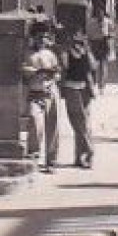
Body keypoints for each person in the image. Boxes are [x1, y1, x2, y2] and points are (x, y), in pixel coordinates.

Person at [22, 30, 62, 171]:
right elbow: (23, 72)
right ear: (33, 38)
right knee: (35, 123)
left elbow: (58, 72)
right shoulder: (27, 54)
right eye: (39, 37)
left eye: (44, 38)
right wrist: (36, 73)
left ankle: (52, 160)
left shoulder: (50, 54)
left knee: (53, 125)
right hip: (35, 92)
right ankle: (33, 156)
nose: (42, 40)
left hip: (50, 91)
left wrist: (53, 74)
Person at [60, 34, 97, 168]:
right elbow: (64, 69)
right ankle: (81, 155)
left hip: (84, 90)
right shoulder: (66, 54)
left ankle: (88, 151)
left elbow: (93, 68)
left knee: (83, 123)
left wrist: (87, 52)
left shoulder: (86, 54)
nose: (79, 44)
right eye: (77, 41)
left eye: (82, 42)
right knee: (79, 123)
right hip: (72, 88)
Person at [89, 7, 114, 93]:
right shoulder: (91, 23)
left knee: (103, 66)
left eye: (101, 13)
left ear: (104, 13)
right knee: (93, 65)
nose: (100, 15)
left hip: (104, 43)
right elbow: (89, 36)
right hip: (94, 44)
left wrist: (110, 47)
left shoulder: (108, 22)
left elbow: (112, 35)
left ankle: (102, 87)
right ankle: (93, 84)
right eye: (98, 13)